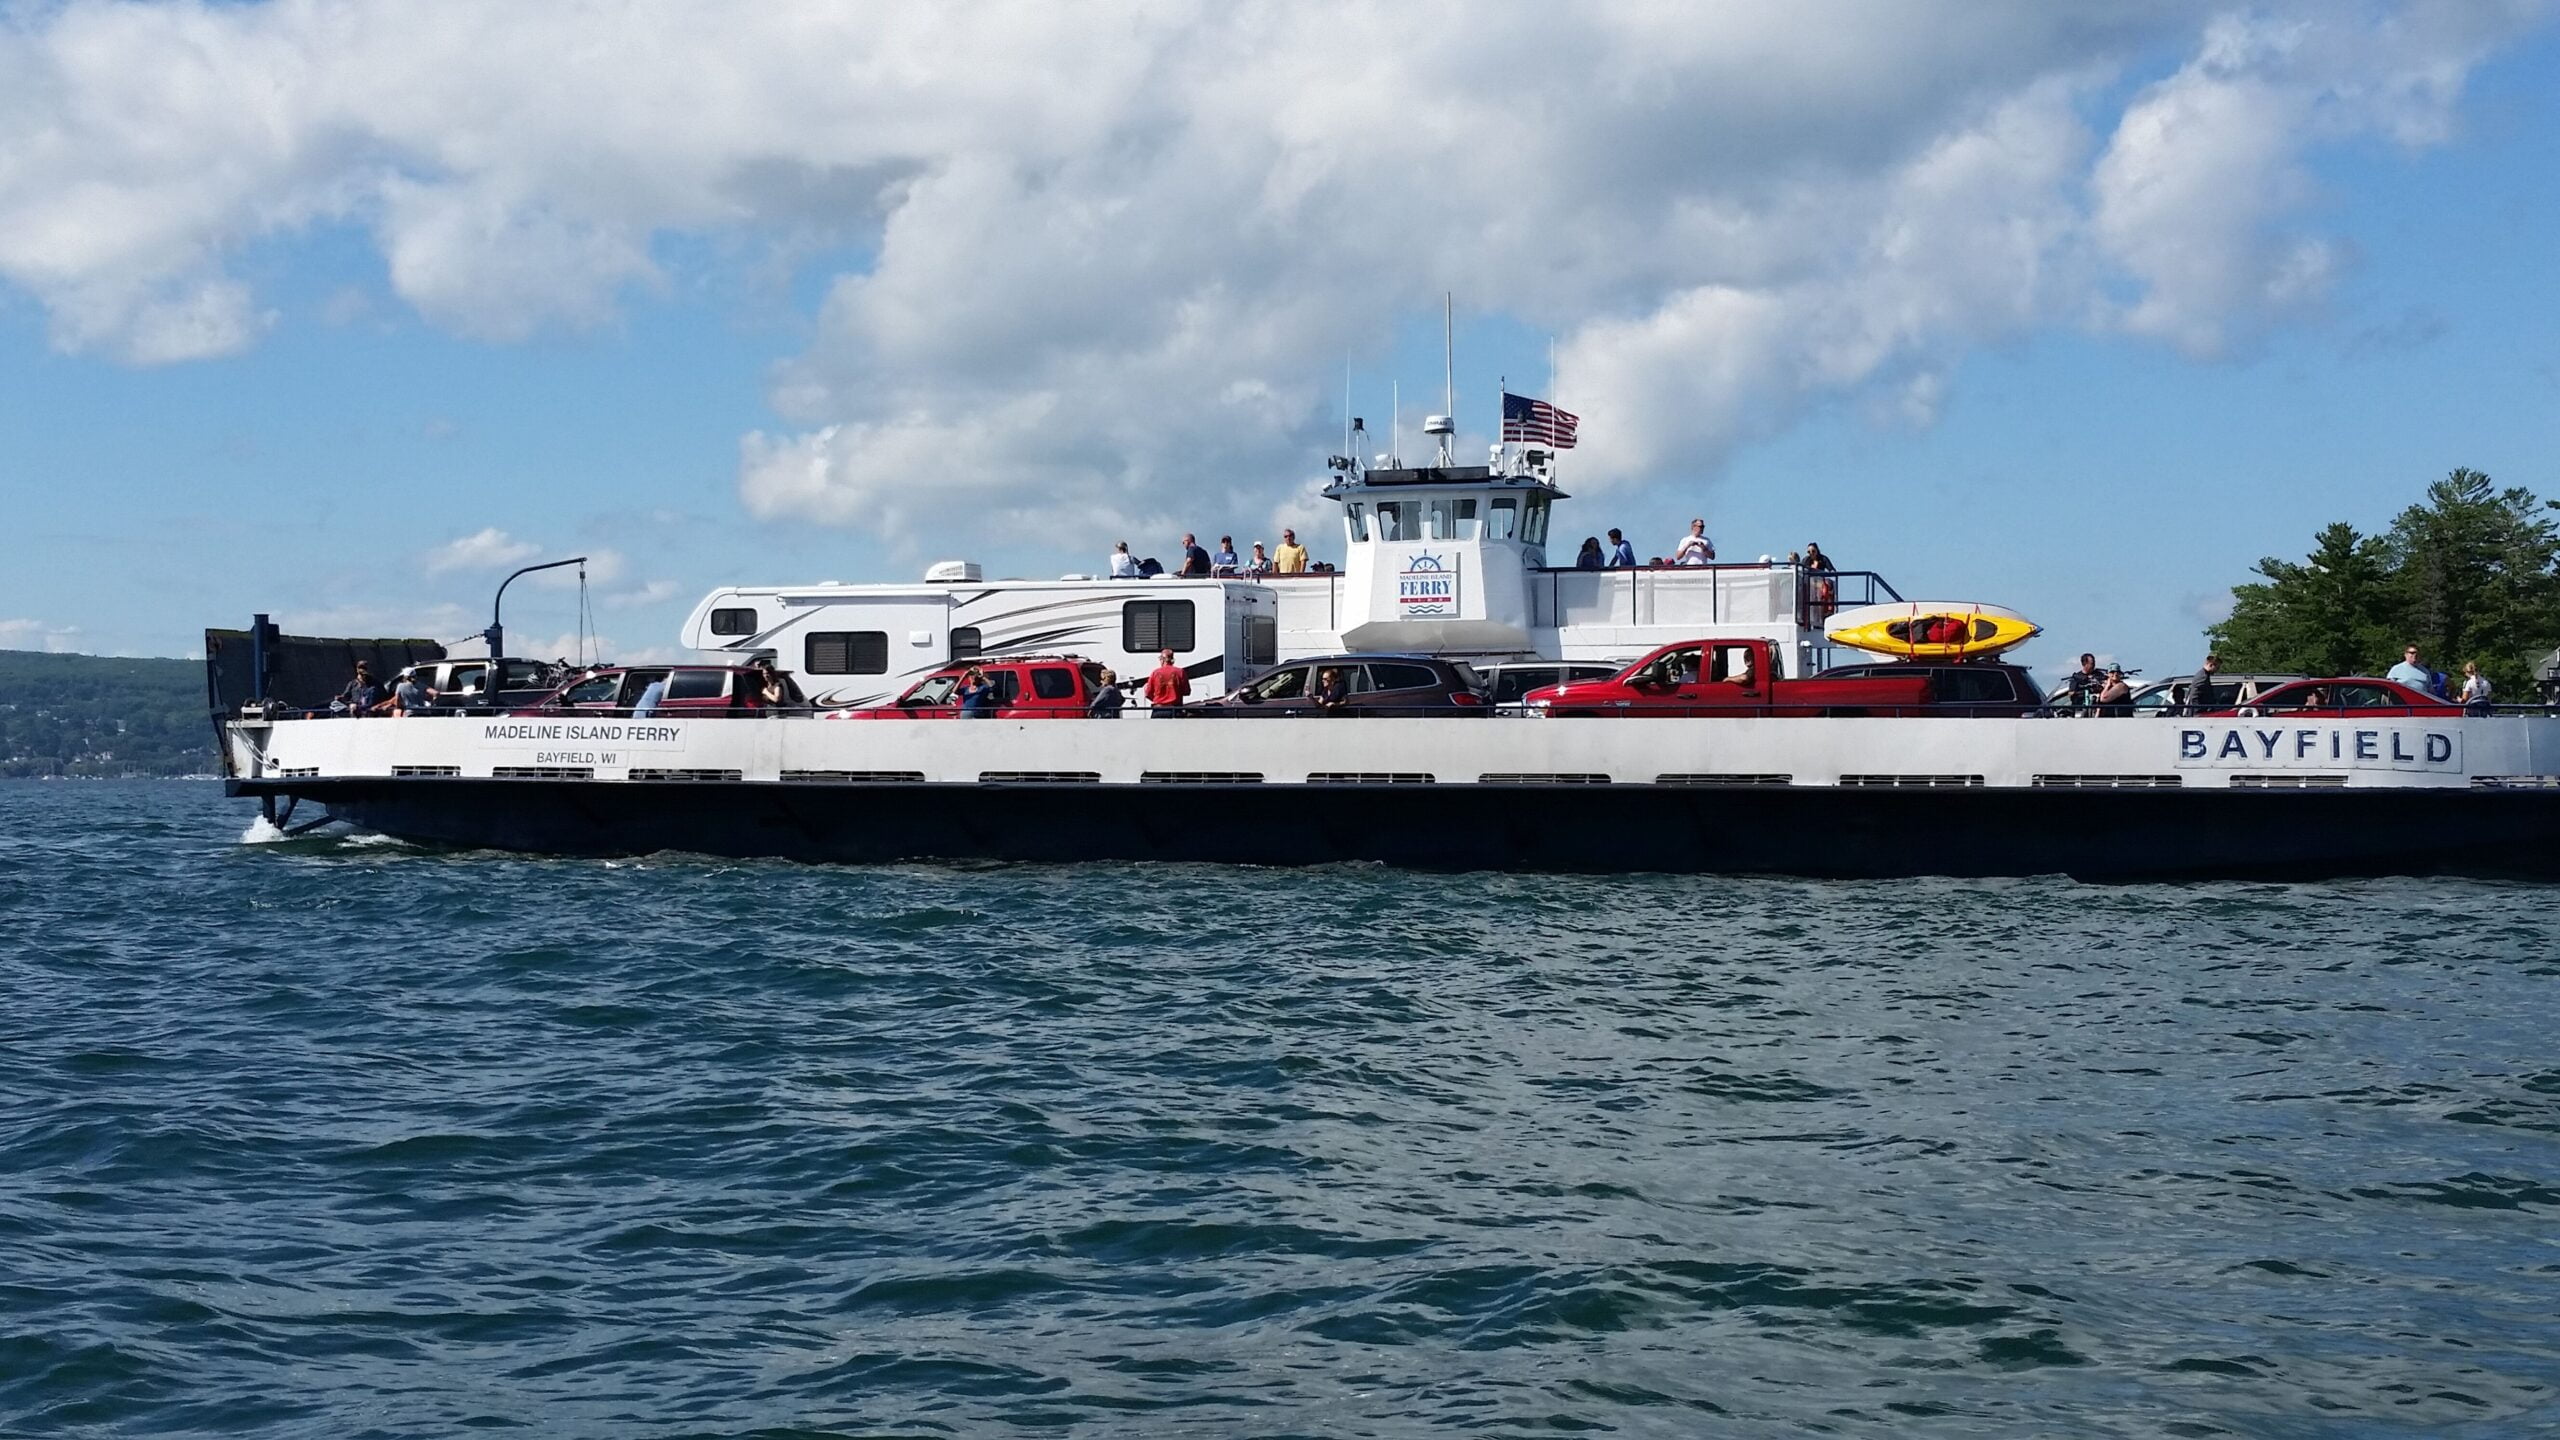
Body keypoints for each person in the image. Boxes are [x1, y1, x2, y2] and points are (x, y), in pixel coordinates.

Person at [1803, 541, 1838, 620]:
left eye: (1813, 551)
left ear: (1817, 551)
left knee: (1827, 587)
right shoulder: (1806, 560)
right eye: (1809, 552)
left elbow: (1831, 569)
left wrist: (1831, 572)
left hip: (1820, 582)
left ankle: (1827, 610)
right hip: (1810, 583)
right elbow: (1801, 569)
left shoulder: (1823, 559)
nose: (1811, 553)